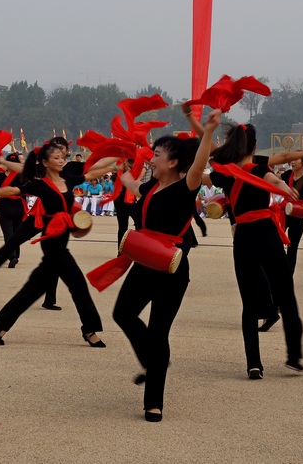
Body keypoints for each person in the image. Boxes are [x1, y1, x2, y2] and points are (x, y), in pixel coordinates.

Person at [111, 109, 217, 423]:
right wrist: (123, 170)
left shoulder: (185, 188)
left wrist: (207, 132)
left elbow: (199, 162)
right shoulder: (149, 188)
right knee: (122, 313)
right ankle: (151, 360)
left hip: (171, 268)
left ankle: (153, 402)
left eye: (157, 155)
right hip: (145, 264)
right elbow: (132, 186)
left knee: (159, 332)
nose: (152, 158)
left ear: (172, 162)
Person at [0, 141, 115, 345]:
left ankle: (2, 323)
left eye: (62, 157)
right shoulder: (40, 184)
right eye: (56, 158)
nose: (61, 160)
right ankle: (90, 331)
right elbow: (13, 191)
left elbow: (90, 175)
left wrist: (114, 167)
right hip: (53, 243)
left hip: (61, 239)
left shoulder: (67, 179)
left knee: (34, 288)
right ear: (45, 163)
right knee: (78, 285)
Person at [208, 122, 303, 382]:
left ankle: (254, 364)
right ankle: (294, 355)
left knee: (249, 305)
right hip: (267, 235)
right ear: (254, 147)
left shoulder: (225, 174)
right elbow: (272, 179)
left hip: (243, 239)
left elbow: (202, 177)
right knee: (286, 295)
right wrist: (284, 189)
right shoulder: (259, 168)